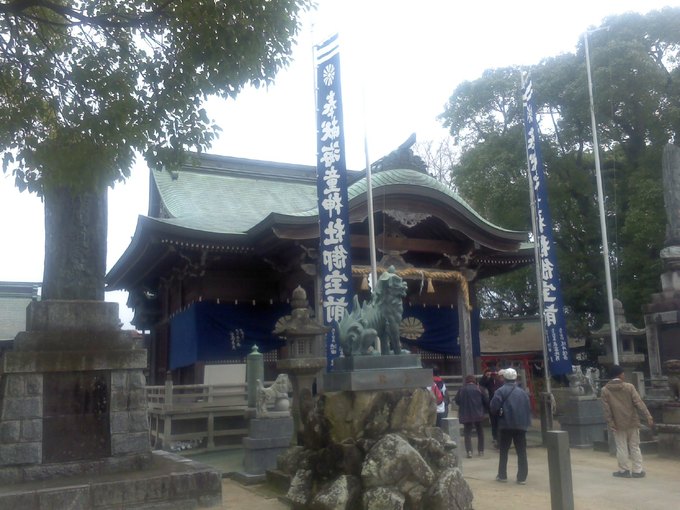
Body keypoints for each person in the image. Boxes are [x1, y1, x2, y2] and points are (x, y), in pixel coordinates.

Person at [601, 364, 654, 479]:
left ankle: (623, 470)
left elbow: (607, 410)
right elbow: (639, 403)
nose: (624, 375)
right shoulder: (629, 387)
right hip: (632, 421)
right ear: (620, 374)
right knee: (634, 446)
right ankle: (637, 471)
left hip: (617, 424)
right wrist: (648, 416)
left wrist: (611, 423)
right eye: (623, 373)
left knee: (621, 447)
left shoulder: (605, 390)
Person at [489, 367, 532, 484]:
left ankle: (502, 475)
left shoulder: (500, 391)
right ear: (515, 378)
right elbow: (528, 408)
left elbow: (493, 407)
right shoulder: (523, 393)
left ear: (504, 378)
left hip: (505, 424)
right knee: (521, 452)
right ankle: (522, 477)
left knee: (503, 451)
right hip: (521, 425)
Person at [455, 374, 488, 458]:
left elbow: (457, 401)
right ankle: (480, 450)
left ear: (466, 381)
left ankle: (469, 451)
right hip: (478, 413)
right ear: (474, 381)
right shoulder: (480, 389)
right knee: (480, 432)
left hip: (466, 413)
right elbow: (486, 400)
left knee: (467, 433)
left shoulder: (462, 390)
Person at [479, 368, 503, 447]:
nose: (493, 376)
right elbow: (481, 384)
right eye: (492, 375)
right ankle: (495, 437)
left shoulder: (501, 382)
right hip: (491, 403)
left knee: (499, 421)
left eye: (495, 375)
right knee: (493, 422)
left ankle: (499, 438)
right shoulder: (488, 381)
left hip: (500, 404)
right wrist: (486, 376)